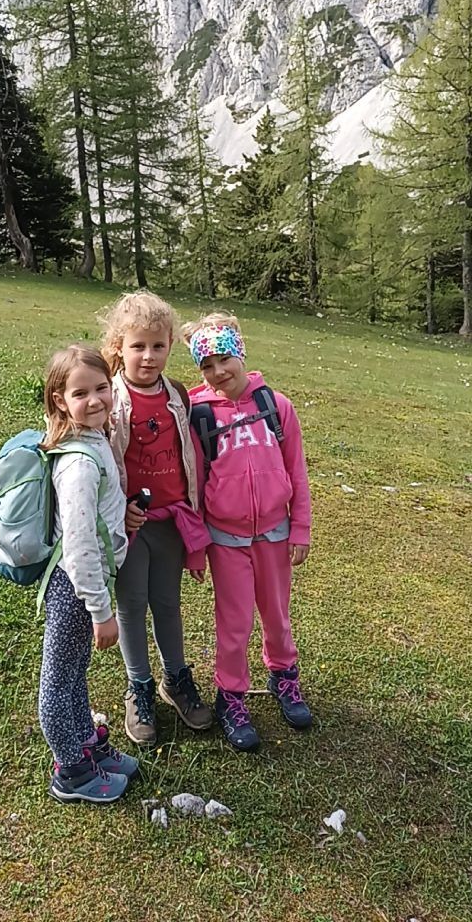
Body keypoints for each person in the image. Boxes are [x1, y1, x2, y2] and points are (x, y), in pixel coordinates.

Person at [182, 313, 313, 751]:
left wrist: (300, 528)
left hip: (275, 535)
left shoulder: (277, 406)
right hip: (226, 541)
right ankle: (231, 696)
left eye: (224, 359)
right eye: (207, 365)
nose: (218, 371)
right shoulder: (199, 416)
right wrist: (196, 548)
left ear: (240, 353)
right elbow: (195, 485)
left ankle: (284, 677)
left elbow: (297, 471)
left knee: (277, 615)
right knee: (234, 624)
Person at [101, 292, 213, 746]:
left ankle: (176, 679)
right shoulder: (109, 397)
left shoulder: (178, 395)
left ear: (169, 346)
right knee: (131, 605)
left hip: (172, 521)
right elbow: (99, 461)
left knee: (168, 603)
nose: (148, 356)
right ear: (119, 346)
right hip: (131, 527)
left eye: (158, 346)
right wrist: (118, 508)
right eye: (138, 346)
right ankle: (140, 686)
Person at [38, 343, 139, 803]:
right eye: (81, 393)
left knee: (75, 670)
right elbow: (79, 547)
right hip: (76, 585)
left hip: (88, 582)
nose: (95, 400)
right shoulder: (78, 464)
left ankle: (86, 745)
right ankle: (72, 772)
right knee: (60, 679)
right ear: (60, 400)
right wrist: (101, 611)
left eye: (102, 388)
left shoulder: (93, 437)